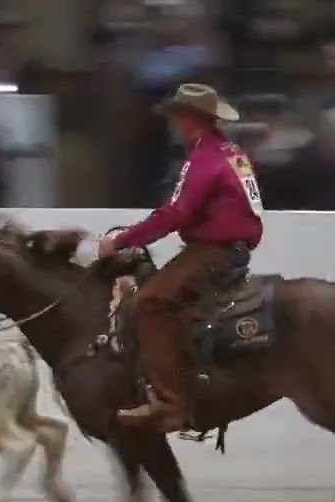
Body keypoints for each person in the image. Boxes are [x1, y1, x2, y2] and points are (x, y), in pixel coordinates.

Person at [96, 83, 262, 433]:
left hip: (212, 251)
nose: (174, 124)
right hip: (235, 248)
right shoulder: (233, 153)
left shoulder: (202, 158)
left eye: (177, 117)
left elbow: (176, 214)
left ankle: (171, 403)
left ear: (189, 119)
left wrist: (122, 239)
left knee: (149, 303)